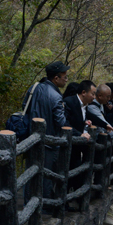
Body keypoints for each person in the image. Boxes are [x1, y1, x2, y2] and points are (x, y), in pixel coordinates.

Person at [24, 61, 69, 205]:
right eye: (64, 76)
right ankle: (43, 207)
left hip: (31, 139)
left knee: (30, 174)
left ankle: (28, 204)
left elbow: (25, 106)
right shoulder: (56, 97)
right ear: (56, 78)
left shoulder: (34, 87)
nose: (66, 79)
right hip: (49, 142)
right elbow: (61, 122)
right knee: (46, 176)